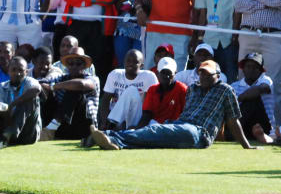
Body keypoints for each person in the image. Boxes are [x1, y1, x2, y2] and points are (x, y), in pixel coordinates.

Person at [90, 60, 255, 150]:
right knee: (152, 134)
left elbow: (233, 120)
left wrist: (246, 146)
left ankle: (111, 138)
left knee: (155, 131)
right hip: (181, 125)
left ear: (217, 75)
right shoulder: (193, 89)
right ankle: (110, 140)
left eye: (207, 75)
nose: (203, 77)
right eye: (201, 74)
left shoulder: (225, 90)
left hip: (199, 133)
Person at [234, 0, 281, 127]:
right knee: (242, 81)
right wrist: (269, 2)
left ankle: (276, 128)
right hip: (249, 33)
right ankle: (240, 125)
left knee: (273, 83)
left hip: (273, 34)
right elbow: (238, 4)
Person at [194, 0, 239, 82]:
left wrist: (235, 36)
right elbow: (202, 13)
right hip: (209, 39)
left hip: (229, 40)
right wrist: (200, 36)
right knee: (208, 76)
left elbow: (238, 13)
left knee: (230, 76)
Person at [43, 47, 100, 140]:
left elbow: (81, 84)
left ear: (85, 66)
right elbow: (41, 83)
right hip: (64, 124)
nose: (74, 66)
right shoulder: (62, 78)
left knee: (74, 87)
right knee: (44, 92)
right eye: (71, 63)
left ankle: (51, 128)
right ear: (67, 66)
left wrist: (54, 87)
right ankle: (41, 128)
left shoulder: (93, 79)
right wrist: (46, 87)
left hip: (85, 125)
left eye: (78, 63)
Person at [96, 50, 158, 131]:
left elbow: (153, 104)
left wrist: (140, 125)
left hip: (137, 118)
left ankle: (112, 128)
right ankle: (110, 127)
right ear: (124, 62)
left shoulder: (148, 76)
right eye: (128, 61)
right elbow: (105, 101)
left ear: (141, 66)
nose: (130, 63)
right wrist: (104, 122)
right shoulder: (115, 74)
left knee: (132, 90)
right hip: (115, 115)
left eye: (135, 62)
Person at [113, 0, 148, 68]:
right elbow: (118, 6)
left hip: (141, 32)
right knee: (123, 64)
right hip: (123, 30)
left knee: (138, 64)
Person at [230, 52, 274, 142]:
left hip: (264, 124)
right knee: (248, 102)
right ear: (243, 69)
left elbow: (261, 89)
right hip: (243, 122)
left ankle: (234, 134)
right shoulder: (234, 85)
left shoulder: (266, 80)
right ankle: (236, 133)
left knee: (254, 99)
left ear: (261, 70)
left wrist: (240, 98)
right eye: (248, 66)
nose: (251, 69)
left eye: (255, 67)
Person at [136, 57, 188, 127]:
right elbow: (146, 115)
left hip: (174, 127)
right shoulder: (152, 89)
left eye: (169, 73)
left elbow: (186, 114)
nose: (166, 76)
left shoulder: (182, 89)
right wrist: (137, 131)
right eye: (163, 72)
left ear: (175, 73)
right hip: (154, 125)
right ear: (157, 73)